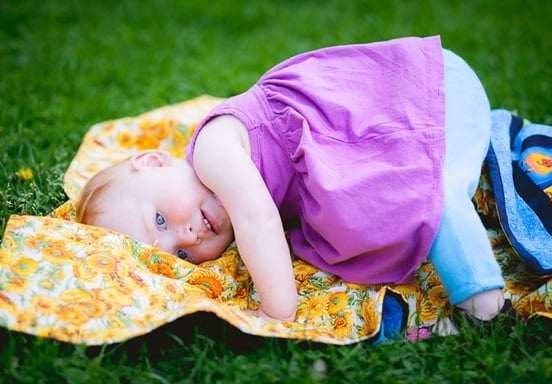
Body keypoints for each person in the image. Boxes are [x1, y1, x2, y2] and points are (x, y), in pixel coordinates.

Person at [76, 36, 512, 330]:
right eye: (183, 255)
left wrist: (276, 310)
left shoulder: (212, 149)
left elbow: (257, 218)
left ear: (153, 161)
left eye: (159, 220)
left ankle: (485, 306)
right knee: (402, 195)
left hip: (427, 88)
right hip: (403, 117)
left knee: (430, 196)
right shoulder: (213, 192)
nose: (187, 237)